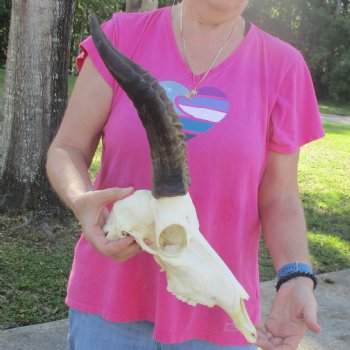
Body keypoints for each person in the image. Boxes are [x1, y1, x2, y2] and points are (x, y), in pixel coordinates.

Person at [46, 1, 325, 349]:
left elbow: (280, 197)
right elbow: (67, 149)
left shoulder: (283, 66)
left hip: (217, 312)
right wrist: (80, 200)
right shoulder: (122, 35)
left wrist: (296, 276)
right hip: (108, 302)